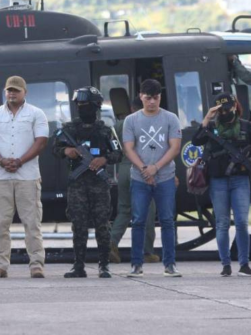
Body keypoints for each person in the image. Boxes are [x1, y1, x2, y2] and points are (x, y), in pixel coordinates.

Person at [0, 76, 49, 278]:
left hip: (27, 176)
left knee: (31, 222)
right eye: (9, 90)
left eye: (16, 90)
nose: (12, 93)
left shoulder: (36, 113)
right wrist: (2, 161)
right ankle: (0, 264)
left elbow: (41, 141)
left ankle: (36, 264)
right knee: (0, 222)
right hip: (0, 176)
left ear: (25, 93)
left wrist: (20, 160)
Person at [191, 92, 251, 277]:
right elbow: (196, 140)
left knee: (242, 223)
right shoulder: (212, 127)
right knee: (222, 224)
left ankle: (244, 264)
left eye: (228, 107)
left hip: (240, 180)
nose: (224, 111)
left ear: (234, 106)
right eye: (220, 109)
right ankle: (225, 264)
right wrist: (208, 117)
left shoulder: (247, 127)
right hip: (218, 180)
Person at [53, 86, 122, 278]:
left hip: (99, 184)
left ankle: (104, 265)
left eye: (86, 104)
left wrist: (104, 159)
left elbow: (118, 153)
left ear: (96, 106)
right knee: (79, 225)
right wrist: (67, 151)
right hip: (78, 184)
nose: (83, 108)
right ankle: (79, 265)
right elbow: (55, 149)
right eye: (80, 105)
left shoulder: (105, 131)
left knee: (102, 225)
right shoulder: (69, 130)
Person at [123, 79, 182, 278]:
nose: (151, 103)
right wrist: (144, 170)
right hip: (139, 178)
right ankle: (136, 263)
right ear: (141, 96)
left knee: (167, 220)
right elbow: (128, 148)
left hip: (165, 177)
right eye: (148, 98)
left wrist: (156, 167)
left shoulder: (171, 118)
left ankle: (170, 264)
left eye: (155, 98)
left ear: (160, 97)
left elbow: (175, 147)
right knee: (138, 220)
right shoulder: (131, 120)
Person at [109, 97, 159, 264]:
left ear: (131, 108)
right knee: (148, 211)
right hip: (142, 170)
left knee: (124, 210)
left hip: (123, 169)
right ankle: (147, 252)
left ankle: (111, 244)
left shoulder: (118, 125)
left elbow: (113, 147)